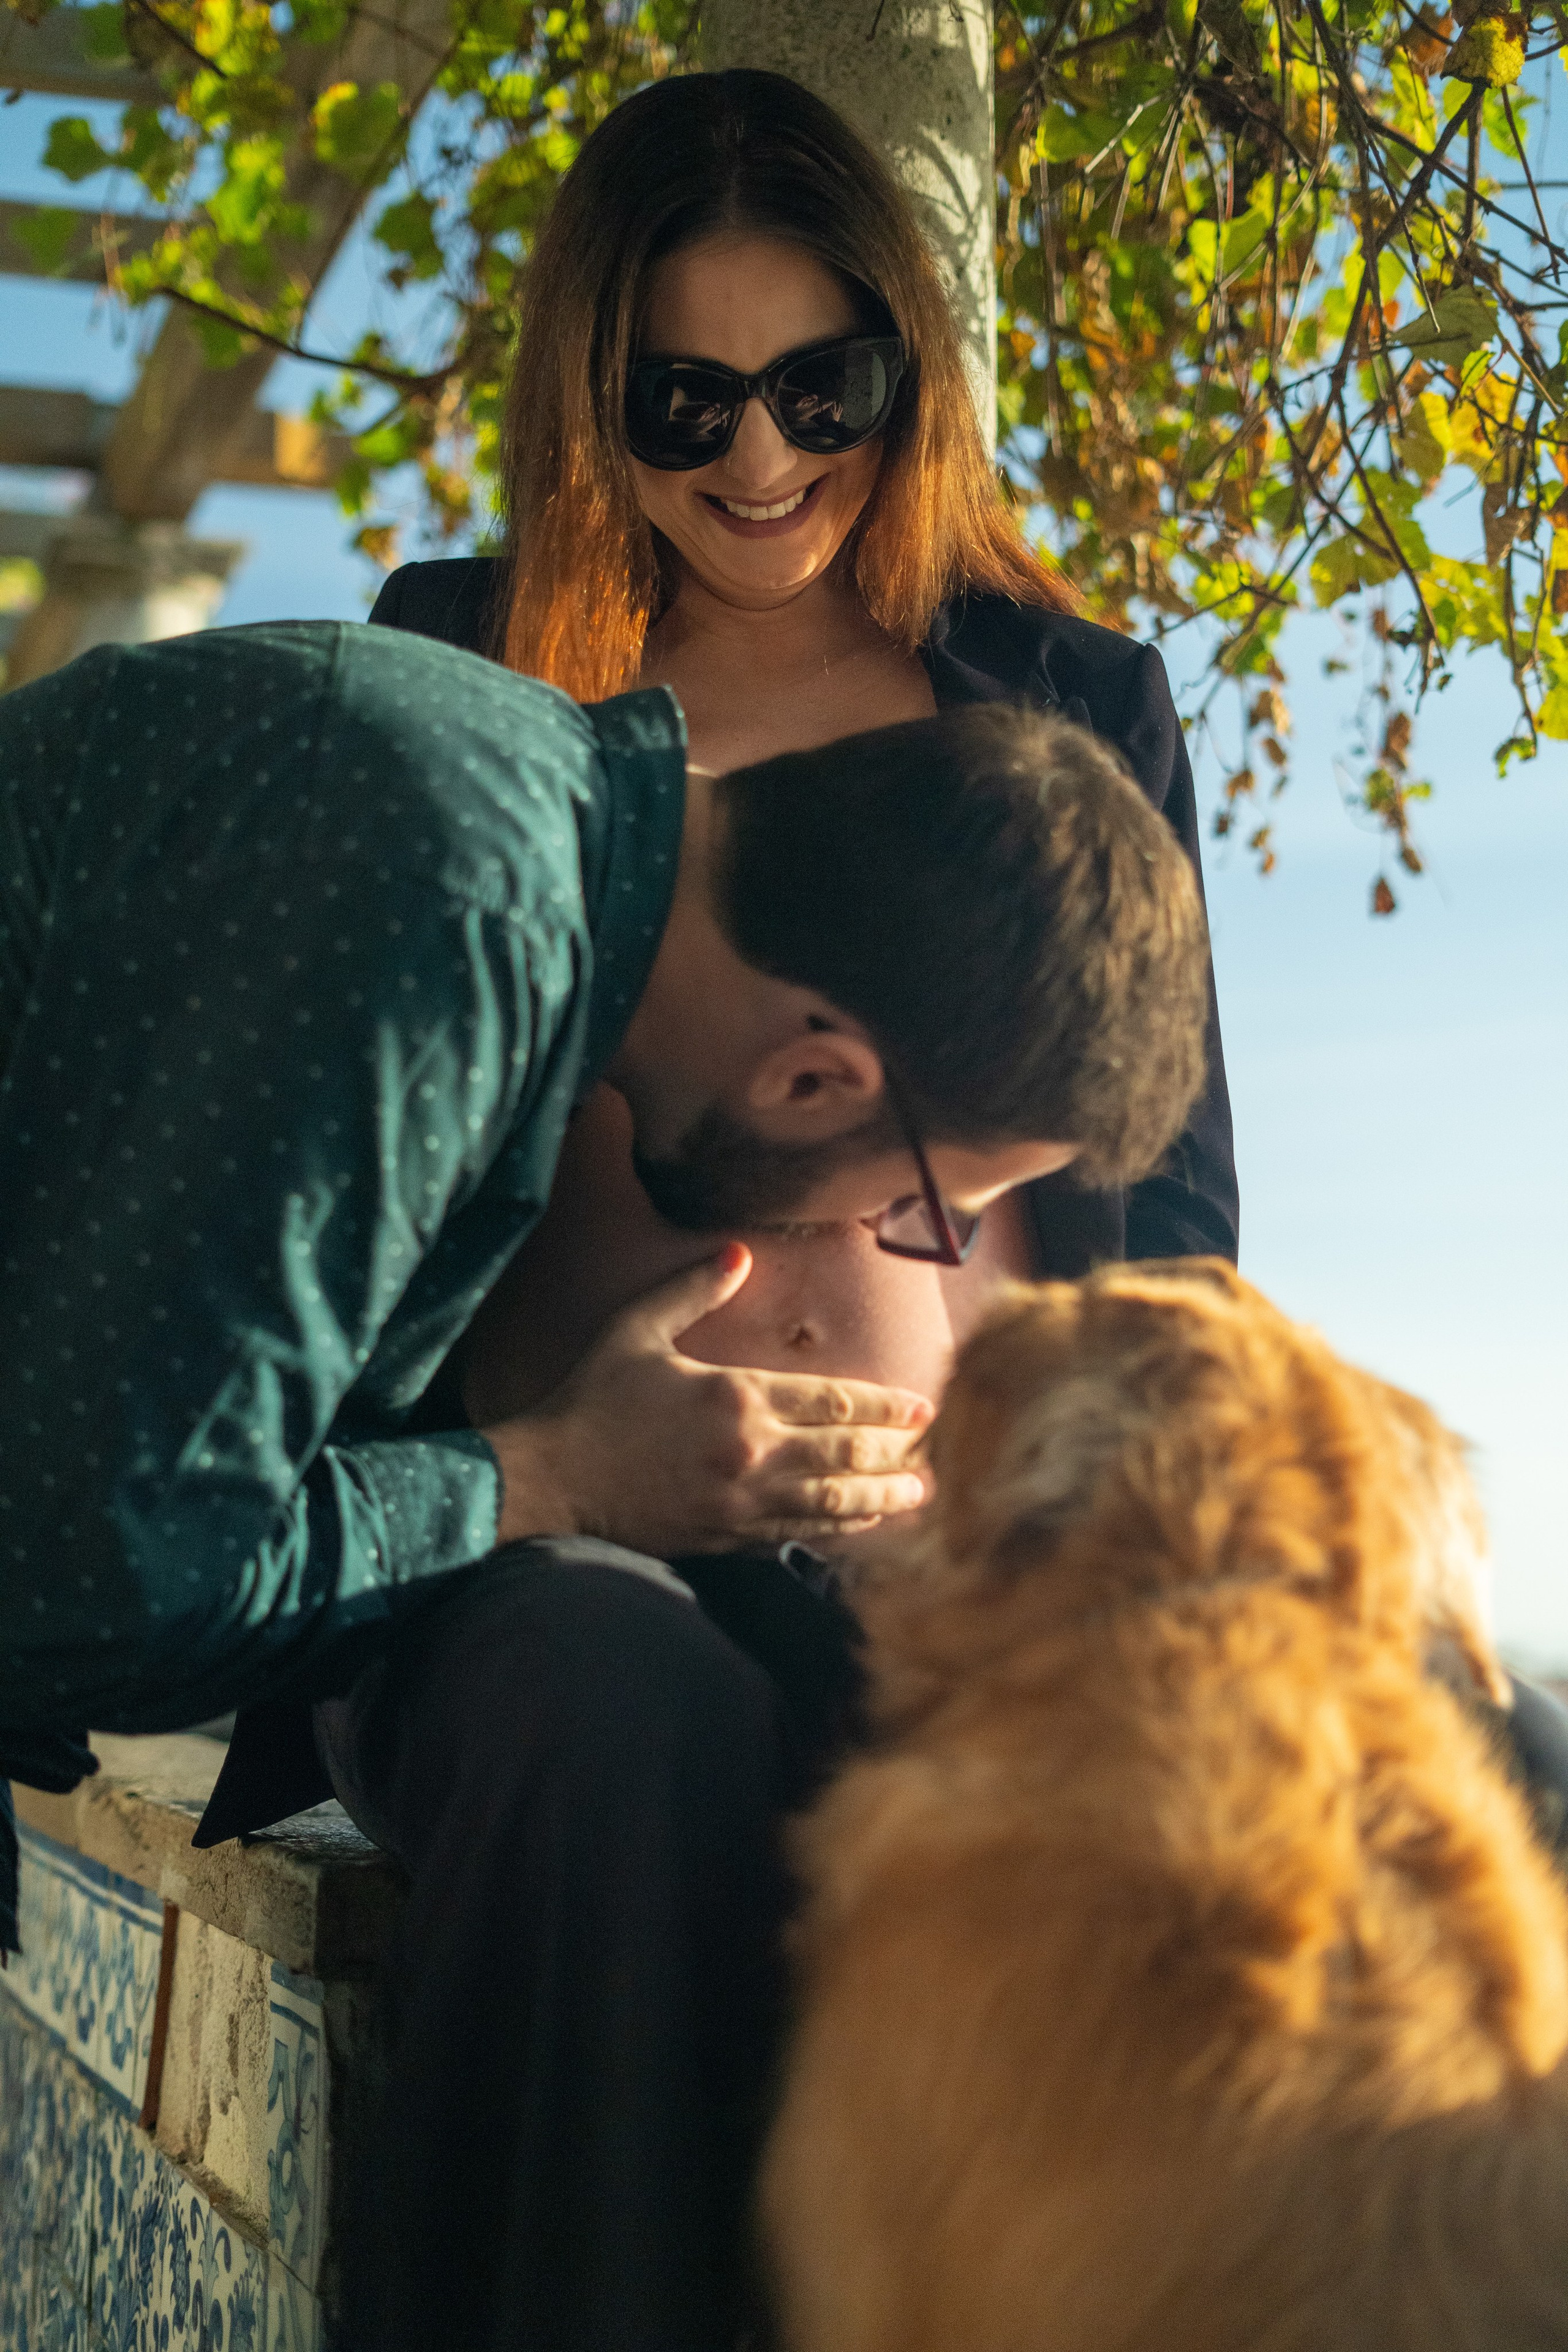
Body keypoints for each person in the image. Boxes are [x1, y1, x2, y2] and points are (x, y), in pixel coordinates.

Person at [0, 622, 1210, 2347]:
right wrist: (557, 1474)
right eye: (921, 1207)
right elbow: (94, 1590)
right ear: (814, 1074)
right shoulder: (450, 905)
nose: (883, 1241)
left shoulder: (496, 824)